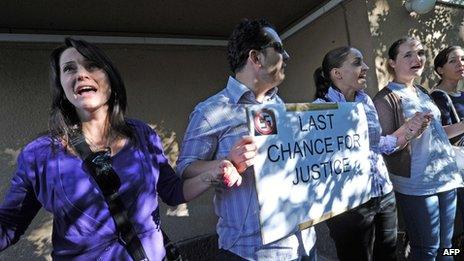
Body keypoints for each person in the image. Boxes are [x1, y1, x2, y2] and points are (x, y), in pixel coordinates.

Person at [0, 38, 238, 260]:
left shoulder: (142, 134)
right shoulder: (40, 155)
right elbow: (9, 224)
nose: (81, 74)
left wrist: (213, 173)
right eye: (69, 68)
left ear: (110, 80)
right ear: (62, 88)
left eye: (91, 65)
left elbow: (173, 192)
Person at [176, 19, 316, 260]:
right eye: (279, 48)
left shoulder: (280, 106)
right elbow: (185, 169)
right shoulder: (209, 111)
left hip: (303, 242)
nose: (287, 55)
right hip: (251, 251)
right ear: (256, 57)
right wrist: (226, 162)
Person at [313, 46, 429, 261]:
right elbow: (317, 163)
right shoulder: (319, 111)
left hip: (383, 194)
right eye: (357, 63)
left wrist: (409, 132)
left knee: (388, 256)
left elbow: (377, 145)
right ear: (337, 73)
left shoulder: (365, 101)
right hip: (349, 206)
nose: (366, 67)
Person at [373, 37, 464, 261]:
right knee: (427, 249)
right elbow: (386, 147)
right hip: (418, 184)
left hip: (446, 178)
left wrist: (462, 126)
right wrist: (410, 131)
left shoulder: (423, 91)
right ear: (392, 63)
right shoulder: (386, 98)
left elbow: (438, 133)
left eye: (420, 53)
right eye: (408, 55)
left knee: (447, 247)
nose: (417, 59)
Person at [431, 45, 464, 145]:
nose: (460, 64)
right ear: (440, 70)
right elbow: (439, 133)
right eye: (453, 61)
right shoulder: (438, 96)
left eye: (462, 59)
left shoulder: (462, 94)